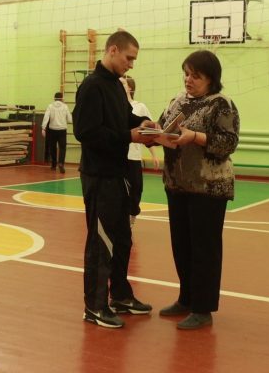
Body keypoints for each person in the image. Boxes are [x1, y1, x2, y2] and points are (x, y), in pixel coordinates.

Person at [72, 30, 158, 329]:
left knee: (122, 239)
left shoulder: (116, 85)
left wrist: (143, 125)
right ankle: (94, 307)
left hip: (118, 174)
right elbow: (86, 132)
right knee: (102, 243)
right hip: (99, 177)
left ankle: (120, 295)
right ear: (112, 51)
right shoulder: (91, 86)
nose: (131, 64)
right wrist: (128, 135)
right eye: (128, 58)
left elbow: (123, 119)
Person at [156, 50, 239, 329]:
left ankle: (203, 309)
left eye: (196, 76)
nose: (188, 80)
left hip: (208, 188)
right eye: (186, 74)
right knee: (181, 246)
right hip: (177, 184)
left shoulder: (221, 104)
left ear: (211, 79)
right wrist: (152, 131)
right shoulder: (177, 101)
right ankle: (186, 299)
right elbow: (162, 127)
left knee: (204, 249)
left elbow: (228, 143)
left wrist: (194, 137)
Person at [120, 76, 159, 227]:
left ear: (130, 87)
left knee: (136, 189)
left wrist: (154, 155)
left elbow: (149, 132)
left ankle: (133, 213)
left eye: (123, 83)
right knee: (120, 191)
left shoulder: (140, 107)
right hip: (119, 156)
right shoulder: (115, 105)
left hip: (134, 157)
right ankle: (123, 219)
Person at [41, 92, 72, 173]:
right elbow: (70, 119)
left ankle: (53, 165)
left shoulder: (50, 106)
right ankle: (61, 163)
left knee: (53, 148)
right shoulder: (65, 106)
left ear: (54, 98)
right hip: (62, 130)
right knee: (62, 148)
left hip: (52, 130)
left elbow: (46, 117)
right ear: (62, 98)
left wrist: (43, 128)